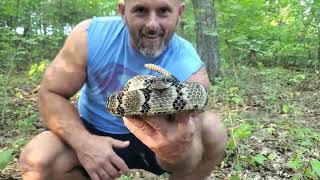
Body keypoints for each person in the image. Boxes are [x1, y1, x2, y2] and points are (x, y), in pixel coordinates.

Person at [19, 0, 227, 179]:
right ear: (123, 12)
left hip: (160, 133)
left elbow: (187, 158)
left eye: (163, 11)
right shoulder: (89, 35)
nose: (152, 25)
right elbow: (51, 92)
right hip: (95, 130)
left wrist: (173, 152)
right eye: (140, 10)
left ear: (179, 13)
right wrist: (84, 143)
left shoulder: (191, 67)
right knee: (37, 160)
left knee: (212, 129)